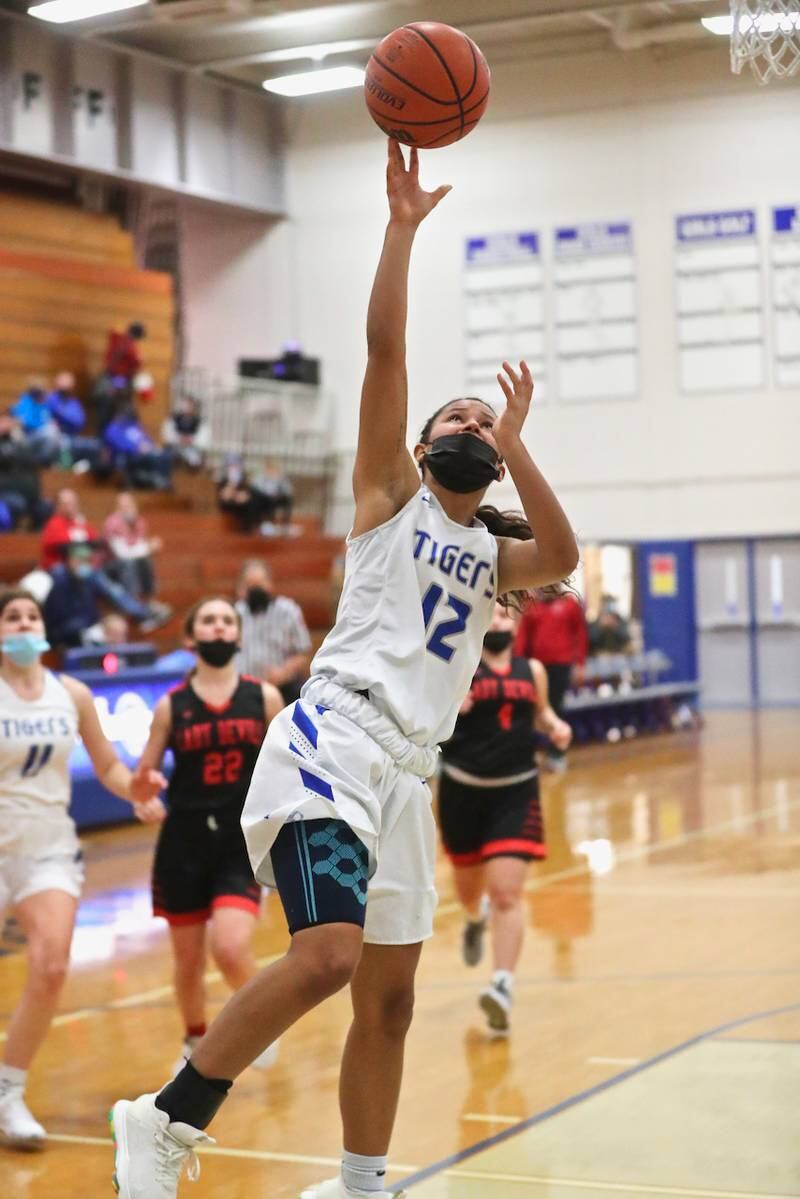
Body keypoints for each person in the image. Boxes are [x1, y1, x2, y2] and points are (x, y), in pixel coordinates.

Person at [109, 139, 578, 1199]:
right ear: (418, 447)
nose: (468, 423)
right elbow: (382, 348)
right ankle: (167, 1112)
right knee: (325, 954)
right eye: (454, 417)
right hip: (331, 739)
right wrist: (400, 230)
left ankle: (361, 1182)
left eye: (481, 420)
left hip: (407, 776)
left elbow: (561, 556)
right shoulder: (385, 500)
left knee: (392, 998)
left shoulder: (494, 556)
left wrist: (522, 437)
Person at [0, 589, 166, 1149]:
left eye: (31, 616)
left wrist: (134, 789)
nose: (24, 624)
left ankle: (8, 1090)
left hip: (47, 845)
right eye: (12, 617)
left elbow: (107, 766)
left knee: (50, 967)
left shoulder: (68, 692)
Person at [137, 597, 283, 1074]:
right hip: (183, 843)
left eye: (227, 620)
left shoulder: (263, 698)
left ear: (238, 637)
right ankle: (193, 1039)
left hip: (239, 843)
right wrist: (145, 796)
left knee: (230, 945)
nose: (218, 627)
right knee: (187, 961)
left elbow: (287, 766)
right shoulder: (170, 706)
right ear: (191, 637)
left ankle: (259, 1023)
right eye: (208, 620)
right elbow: (145, 775)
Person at [438, 600, 572, 1034]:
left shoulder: (532, 670)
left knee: (507, 894)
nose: (497, 620)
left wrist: (555, 726)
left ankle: (501, 986)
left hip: (516, 791)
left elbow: (542, 711)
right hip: (463, 791)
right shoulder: (457, 666)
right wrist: (449, 707)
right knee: (469, 888)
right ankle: (474, 921)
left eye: (503, 614)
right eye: (490, 614)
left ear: (514, 623)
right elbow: (428, 720)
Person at [40, 490, 171, 635]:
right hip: (63, 571)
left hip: (87, 569)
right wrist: (81, 548)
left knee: (100, 574)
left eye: (73, 503)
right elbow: (63, 548)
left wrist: (82, 548)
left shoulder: (81, 524)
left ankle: (143, 606)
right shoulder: (54, 524)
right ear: (58, 506)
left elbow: (95, 544)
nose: (71, 506)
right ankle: (141, 612)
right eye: (66, 503)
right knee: (100, 573)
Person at [514, 586, 588, 772]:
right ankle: (528, 753)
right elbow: (523, 638)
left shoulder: (570, 605)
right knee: (529, 709)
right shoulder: (532, 607)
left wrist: (579, 663)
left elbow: (580, 635)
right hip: (536, 667)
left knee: (555, 708)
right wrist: (517, 664)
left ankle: (557, 754)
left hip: (561, 666)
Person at [236, 559, 312, 704]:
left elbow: (303, 652)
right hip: (242, 692)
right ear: (241, 588)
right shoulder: (234, 613)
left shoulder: (288, 611)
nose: (255, 590)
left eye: (259, 584)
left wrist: (284, 672)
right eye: (250, 585)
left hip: (282, 689)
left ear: (270, 584)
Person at [102, 491, 163, 602]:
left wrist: (146, 548)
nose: (128, 509)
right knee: (129, 562)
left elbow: (139, 548)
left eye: (130, 505)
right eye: (123, 507)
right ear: (117, 508)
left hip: (129, 562)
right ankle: (132, 602)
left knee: (145, 560)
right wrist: (148, 548)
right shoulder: (112, 523)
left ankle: (149, 600)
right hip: (110, 565)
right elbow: (122, 554)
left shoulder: (139, 522)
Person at [102, 405, 173, 491]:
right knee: (151, 458)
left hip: (144, 454)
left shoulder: (135, 427)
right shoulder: (113, 428)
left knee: (165, 456)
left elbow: (147, 440)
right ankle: (157, 481)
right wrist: (136, 448)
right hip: (126, 457)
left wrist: (151, 447)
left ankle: (163, 481)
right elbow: (118, 444)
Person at [249, 459, 296, 536]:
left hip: (277, 498)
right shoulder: (260, 477)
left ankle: (285, 525)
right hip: (263, 499)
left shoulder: (282, 478)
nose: (272, 471)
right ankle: (261, 524)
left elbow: (289, 490)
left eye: (274, 469)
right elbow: (254, 487)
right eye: (270, 469)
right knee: (262, 501)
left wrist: (279, 491)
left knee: (287, 500)